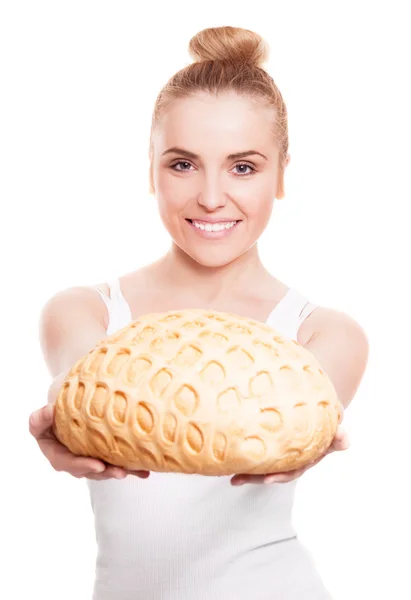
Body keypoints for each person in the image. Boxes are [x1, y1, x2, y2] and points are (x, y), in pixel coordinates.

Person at [29, 25, 369, 600]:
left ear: (282, 173)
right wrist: (67, 420)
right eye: (183, 164)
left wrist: (306, 439)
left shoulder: (322, 332)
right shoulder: (84, 310)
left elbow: (299, 426)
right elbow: (81, 384)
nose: (211, 197)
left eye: (243, 167)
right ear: (151, 168)